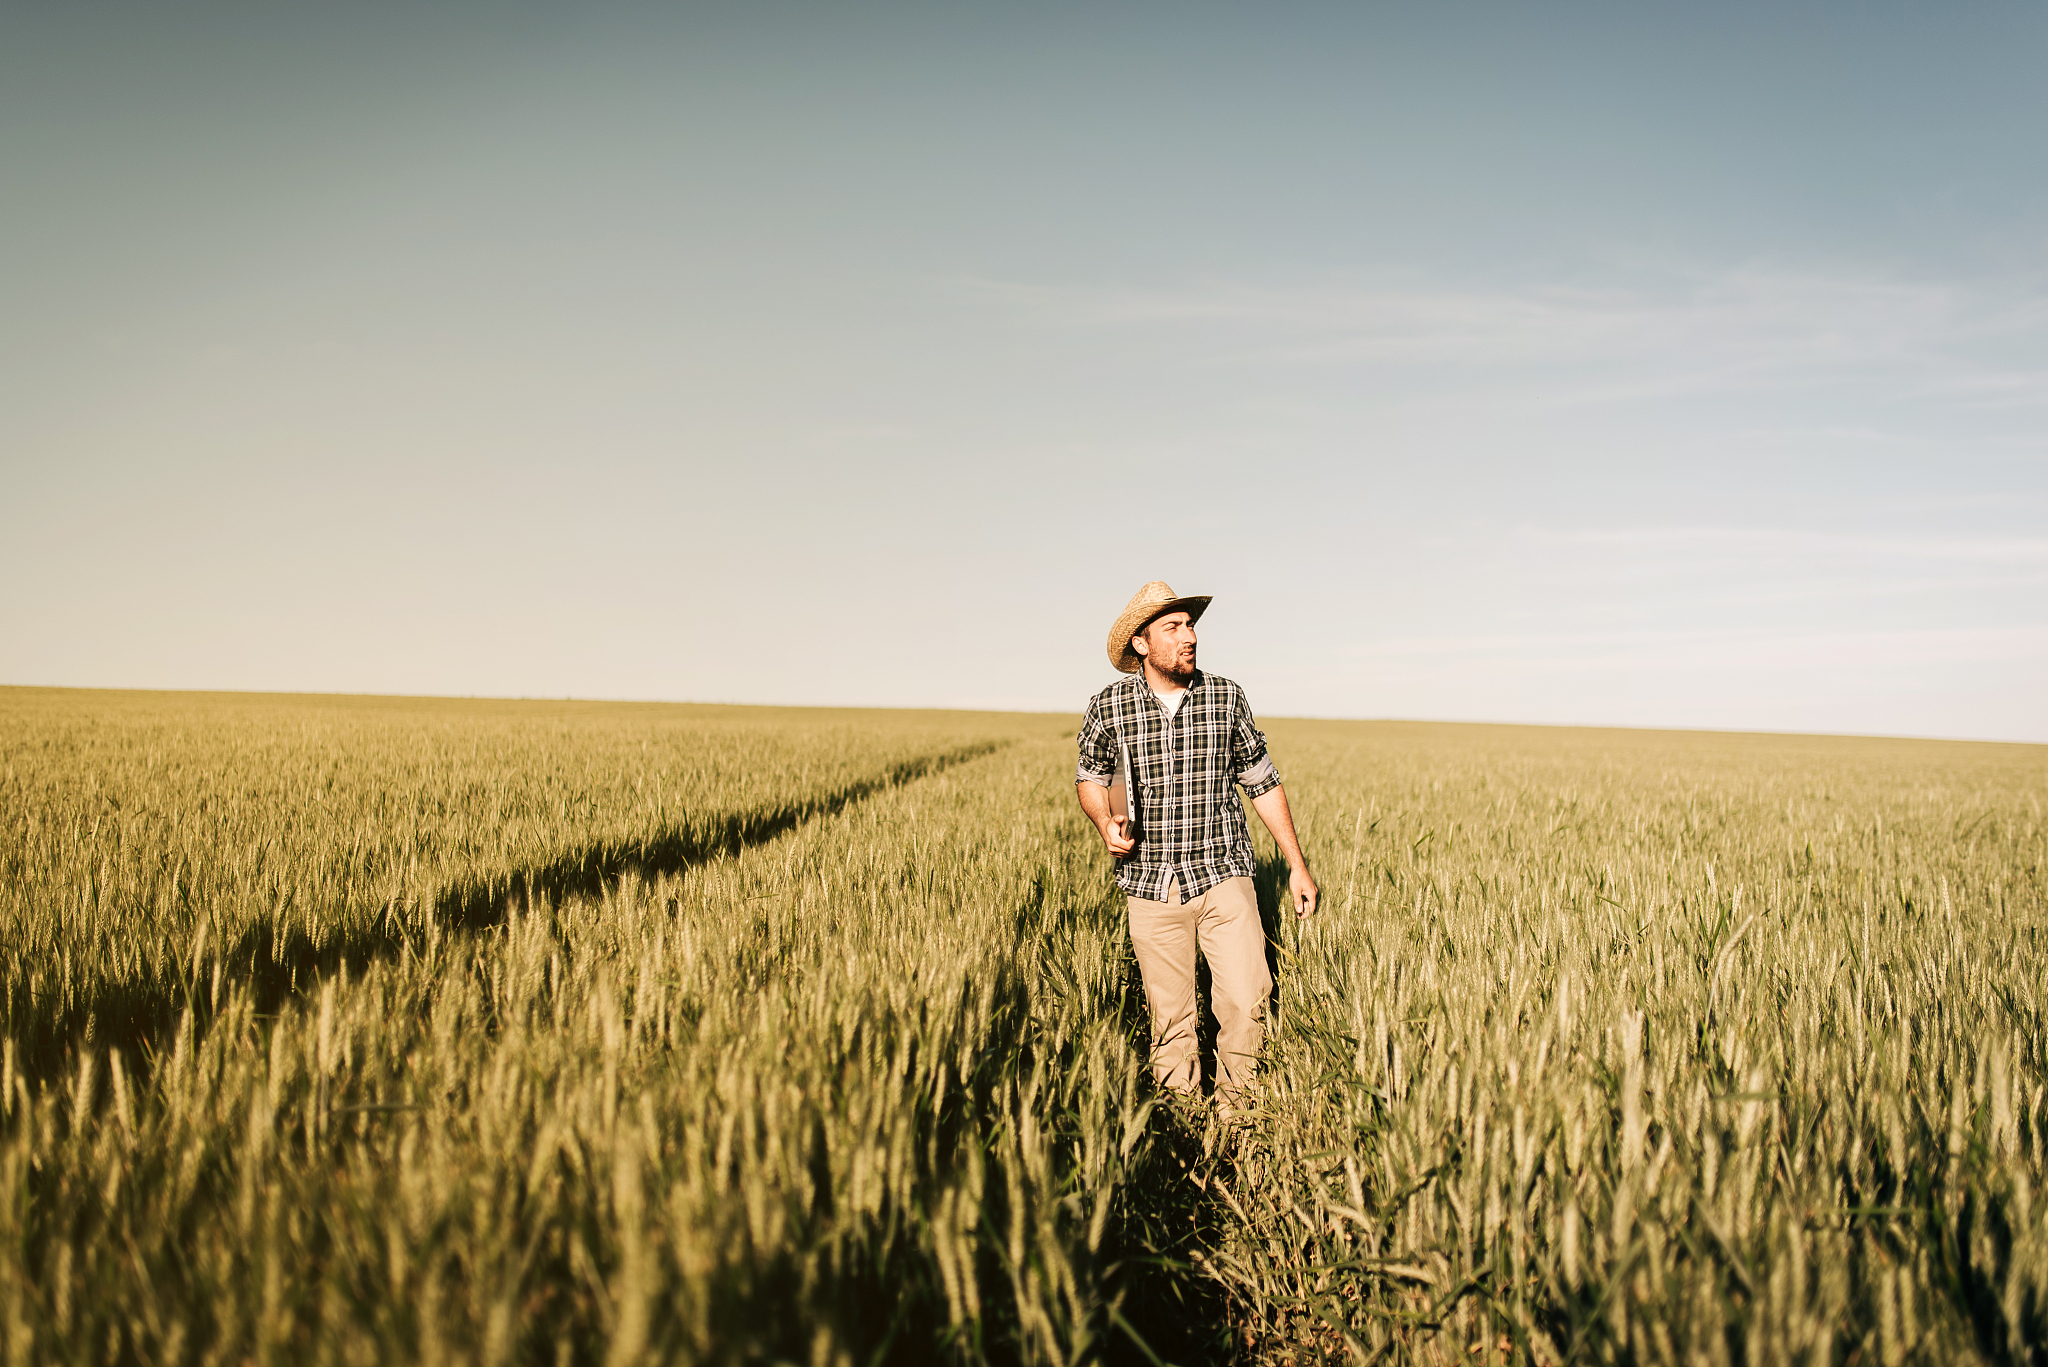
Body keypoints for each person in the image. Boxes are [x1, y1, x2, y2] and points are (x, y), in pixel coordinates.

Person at [1075, 581, 1318, 1104]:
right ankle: (1184, 1121)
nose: (1189, 637)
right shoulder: (1108, 706)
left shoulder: (1225, 696)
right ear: (1142, 643)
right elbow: (1089, 778)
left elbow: (1262, 781)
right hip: (1149, 885)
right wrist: (1104, 823)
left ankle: (1240, 1121)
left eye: (1191, 626)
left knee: (1247, 1001)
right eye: (1174, 627)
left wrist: (1296, 866)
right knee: (1171, 1020)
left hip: (1222, 875)